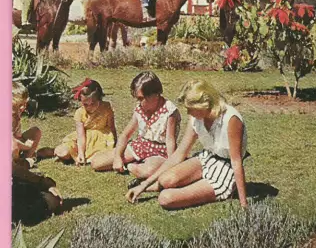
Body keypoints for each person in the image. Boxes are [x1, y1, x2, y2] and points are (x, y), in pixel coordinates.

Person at [126, 80, 248, 210]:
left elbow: (236, 162)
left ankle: (217, 188)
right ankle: (153, 186)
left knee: (165, 198)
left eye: (190, 109)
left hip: (226, 167)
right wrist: (143, 185)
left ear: (203, 105)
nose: (189, 113)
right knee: (165, 179)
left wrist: (243, 205)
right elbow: (179, 154)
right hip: (207, 157)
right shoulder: (196, 118)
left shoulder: (231, 119)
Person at [91, 71, 181, 181]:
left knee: (148, 171)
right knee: (96, 163)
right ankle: (134, 162)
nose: (139, 102)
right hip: (141, 145)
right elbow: (125, 135)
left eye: (141, 98)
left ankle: (132, 165)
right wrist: (118, 157)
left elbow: (170, 141)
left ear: (155, 95)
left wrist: (172, 165)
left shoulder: (168, 111)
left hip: (160, 150)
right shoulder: (140, 109)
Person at [53, 79, 117, 165]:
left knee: (101, 158)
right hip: (84, 139)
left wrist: (116, 143)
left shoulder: (106, 107)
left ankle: (76, 157)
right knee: (63, 152)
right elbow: (81, 136)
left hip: (101, 139)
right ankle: (62, 154)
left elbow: (112, 127)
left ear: (99, 99)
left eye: (93, 103)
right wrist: (81, 153)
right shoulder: (80, 113)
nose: (90, 107)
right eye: (86, 104)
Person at [12, 82, 42, 167]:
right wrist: (26, 146)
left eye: (25, 104)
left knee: (36, 131)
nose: (23, 107)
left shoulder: (16, 113)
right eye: (19, 104)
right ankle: (19, 163)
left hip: (17, 142)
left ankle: (26, 158)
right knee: (13, 145)